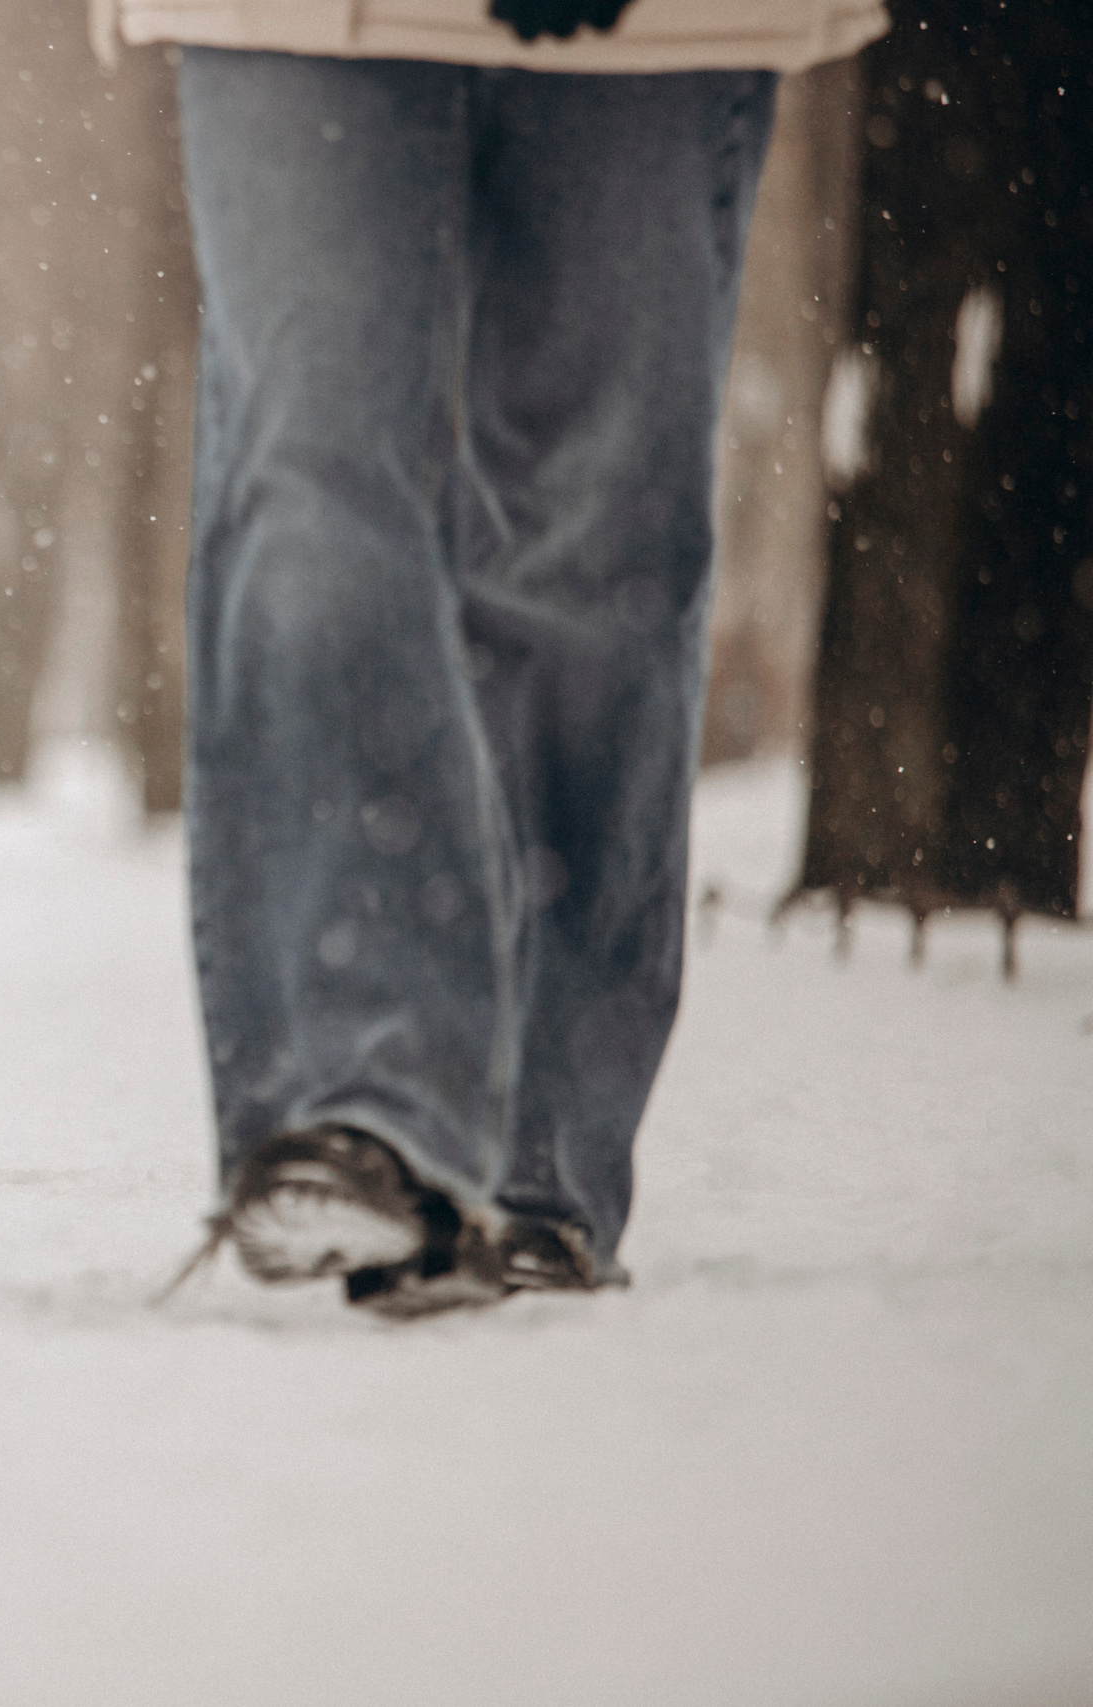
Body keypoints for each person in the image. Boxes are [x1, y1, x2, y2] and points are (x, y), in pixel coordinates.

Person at [106, 0, 890, 1314]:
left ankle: (535, 1160)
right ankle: (366, 1107)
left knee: (596, 540)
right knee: (312, 488)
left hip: (658, 26)